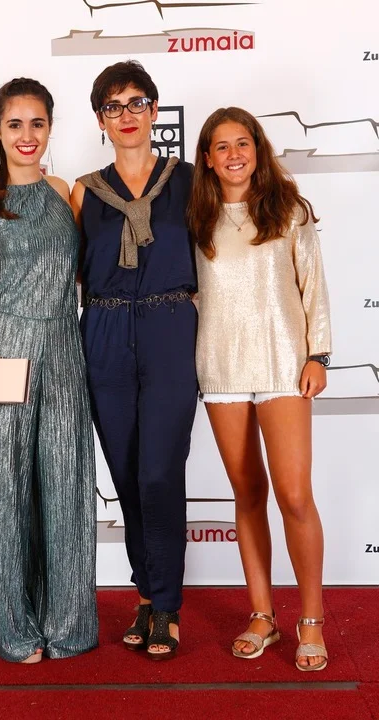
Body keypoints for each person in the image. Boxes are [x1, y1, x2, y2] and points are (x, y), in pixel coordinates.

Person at [0, 77, 98, 663]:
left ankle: (67, 623)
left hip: (64, 350)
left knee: (66, 484)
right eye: (14, 124)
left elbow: (85, 277)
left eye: (37, 123)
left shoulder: (64, 191)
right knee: (5, 489)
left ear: (50, 128)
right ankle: (15, 627)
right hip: (6, 350)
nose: (27, 135)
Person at [188, 107, 331, 671]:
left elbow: (314, 286)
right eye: (221, 146)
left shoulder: (290, 210)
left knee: (293, 495)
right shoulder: (194, 219)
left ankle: (311, 619)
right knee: (247, 493)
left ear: (258, 148)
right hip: (221, 367)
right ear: (207, 158)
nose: (234, 155)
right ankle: (262, 615)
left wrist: (318, 354)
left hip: (283, 364)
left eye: (242, 143)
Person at [71, 60, 197, 659]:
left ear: (155, 111)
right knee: (125, 472)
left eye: (137, 103)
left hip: (170, 326)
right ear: (101, 119)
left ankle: (167, 604)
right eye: (113, 106)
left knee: (158, 472)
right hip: (103, 328)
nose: (126, 115)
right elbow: (67, 270)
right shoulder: (82, 191)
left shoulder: (187, 180)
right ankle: (146, 596)